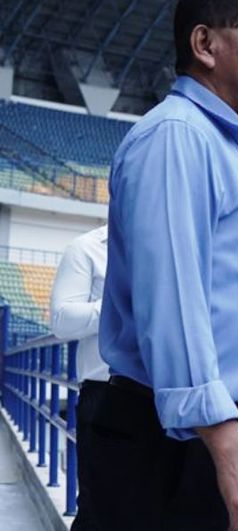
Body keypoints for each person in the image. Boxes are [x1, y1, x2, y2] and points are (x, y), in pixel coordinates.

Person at [95, 0, 238, 531]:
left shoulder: (223, 145)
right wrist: (228, 447)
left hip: (211, 439)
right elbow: (174, 302)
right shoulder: (178, 136)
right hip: (186, 447)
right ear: (205, 45)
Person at [48, 224, 108, 531]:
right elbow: (61, 320)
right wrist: (118, 306)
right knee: (100, 512)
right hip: (107, 396)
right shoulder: (87, 248)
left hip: (172, 395)